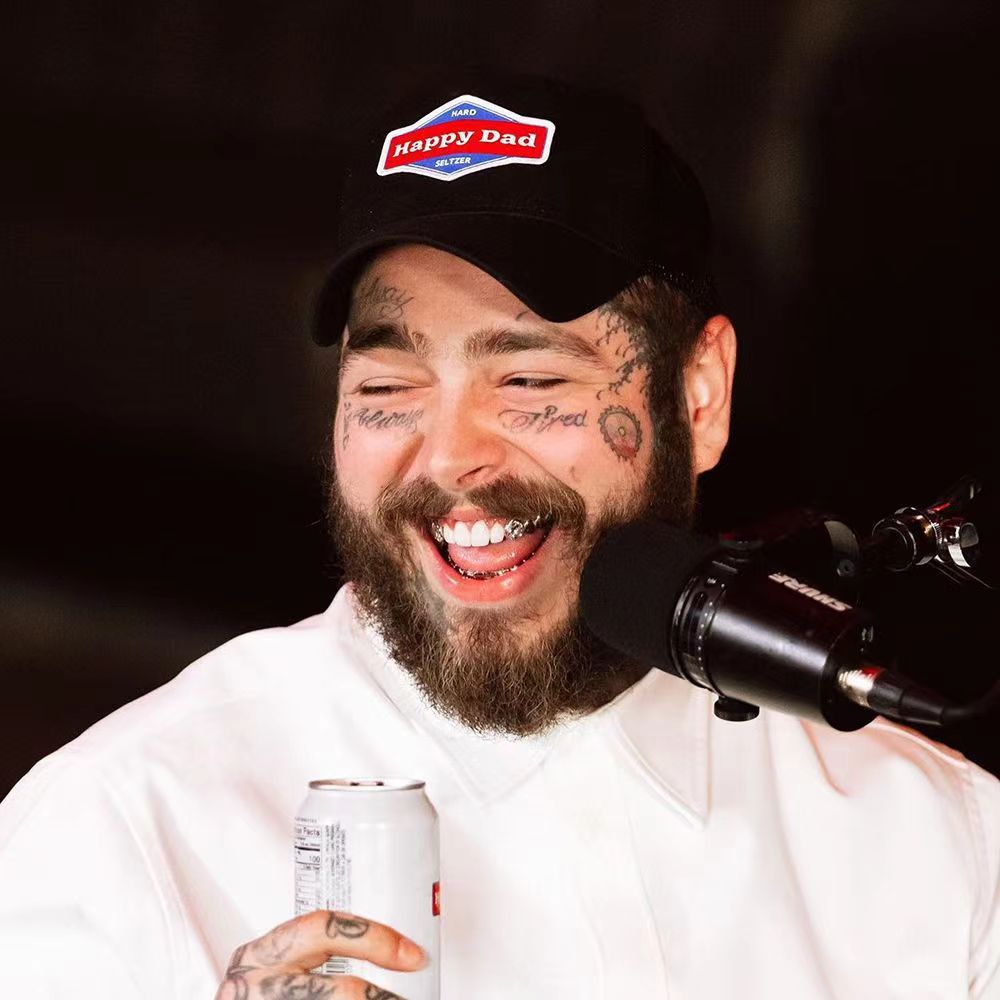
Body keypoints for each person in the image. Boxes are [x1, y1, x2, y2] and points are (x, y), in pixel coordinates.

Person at [0, 73, 997, 1000]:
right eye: (388, 387)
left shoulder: (937, 842)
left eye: (528, 379)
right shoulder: (118, 836)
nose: (449, 458)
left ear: (700, 396)